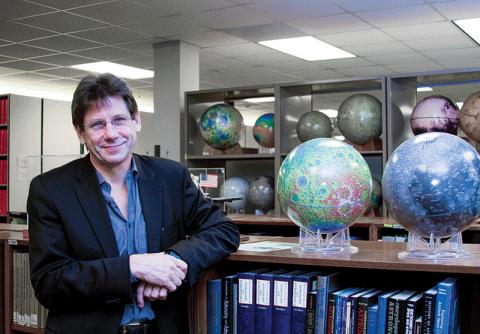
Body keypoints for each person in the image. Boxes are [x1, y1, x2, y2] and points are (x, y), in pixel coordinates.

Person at [27, 73, 240, 334]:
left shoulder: (171, 176)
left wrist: (171, 263)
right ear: (80, 132)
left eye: (119, 120)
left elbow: (224, 231)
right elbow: (49, 283)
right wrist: (134, 267)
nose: (111, 133)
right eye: (97, 125)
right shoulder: (50, 190)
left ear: (136, 120)